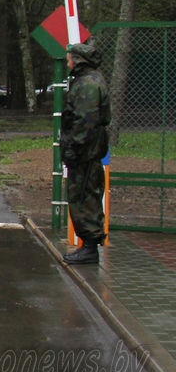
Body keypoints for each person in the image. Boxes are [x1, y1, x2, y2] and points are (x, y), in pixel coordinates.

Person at [60, 41, 111, 265]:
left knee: (83, 197)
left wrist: (74, 148)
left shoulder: (88, 84)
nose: (67, 61)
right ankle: (87, 245)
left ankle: (89, 247)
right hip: (85, 151)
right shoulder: (87, 81)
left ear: (78, 60)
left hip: (84, 153)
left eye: (69, 57)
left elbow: (85, 121)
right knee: (82, 195)